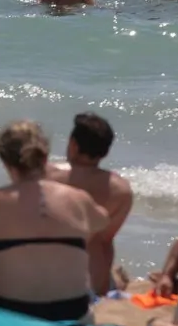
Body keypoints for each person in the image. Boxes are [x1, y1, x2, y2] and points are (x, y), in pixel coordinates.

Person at [0, 121, 109, 323]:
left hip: (15, 314)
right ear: (45, 157)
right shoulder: (77, 198)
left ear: (5, 161)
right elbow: (102, 221)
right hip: (72, 314)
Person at [47, 113, 134, 294]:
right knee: (98, 240)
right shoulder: (121, 190)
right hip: (90, 283)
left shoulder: (46, 175)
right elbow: (105, 241)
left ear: (73, 144)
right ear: (105, 151)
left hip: (44, 275)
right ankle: (111, 280)